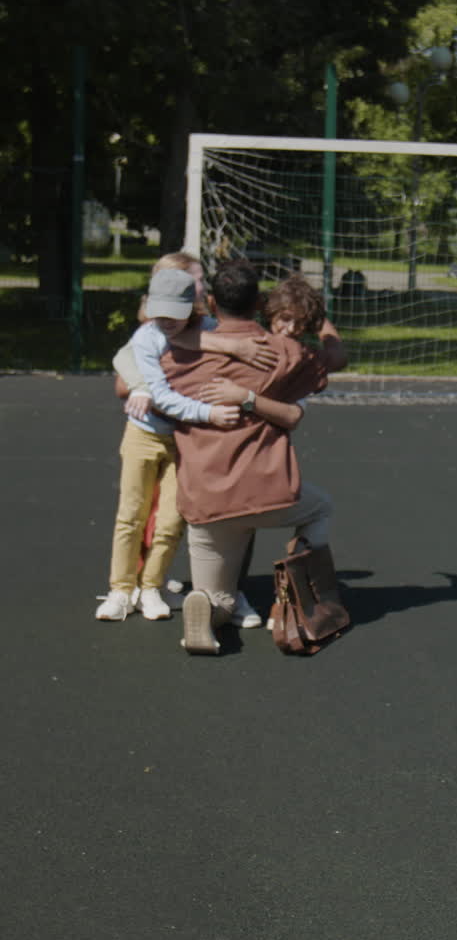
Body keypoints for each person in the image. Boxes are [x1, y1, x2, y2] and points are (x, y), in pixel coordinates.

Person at [158, 258, 347, 654]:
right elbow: (335, 358)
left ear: (211, 302)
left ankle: (207, 608)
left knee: (220, 596)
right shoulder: (288, 353)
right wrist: (321, 322)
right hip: (266, 494)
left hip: (204, 497)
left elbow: (127, 383)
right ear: (260, 302)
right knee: (322, 507)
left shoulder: (175, 354)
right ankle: (297, 596)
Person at [97, 267, 296, 624]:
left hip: (180, 439)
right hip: (145, 433)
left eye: (175, 314)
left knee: (173, 519)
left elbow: (199, 340)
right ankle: (121, 589)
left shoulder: (204, 329)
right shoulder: (147, 336)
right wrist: (209, 413)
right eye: (160, 312)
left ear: (195, 307)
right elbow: (159, 395)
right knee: (131, 513)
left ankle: (152, 586)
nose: (166, 321)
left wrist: (240, 347)